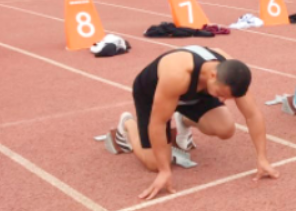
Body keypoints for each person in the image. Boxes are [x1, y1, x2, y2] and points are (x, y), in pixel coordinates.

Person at [104, 46, 279, 200]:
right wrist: (165, 171)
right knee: (154, 164)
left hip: (197, 92)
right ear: (212, 75)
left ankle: (185, 120)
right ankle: (127, 125)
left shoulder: (233, 74)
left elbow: (253, 115)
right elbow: (158, 122)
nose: (224, 100)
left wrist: (262, 158)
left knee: (226, 129)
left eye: (228, 97)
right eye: (221, 94)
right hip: (153, 94)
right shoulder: (177, 75)